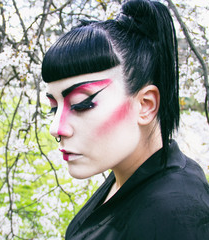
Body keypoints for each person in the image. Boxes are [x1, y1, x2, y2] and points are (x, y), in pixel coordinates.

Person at [41, 0, 209, 239]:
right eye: (53, 108)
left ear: (145, 105)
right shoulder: (127, 175)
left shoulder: (174, 218)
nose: (56, 128)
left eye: (81, 104)